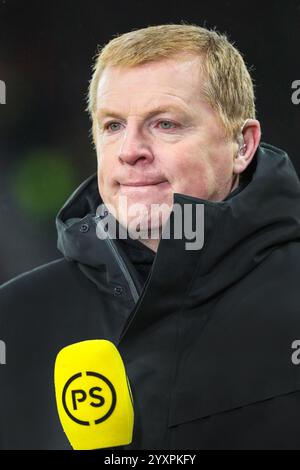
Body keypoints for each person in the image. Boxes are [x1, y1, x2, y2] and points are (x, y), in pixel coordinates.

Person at [1, 23, 300, 450]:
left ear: (242, 145)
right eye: (113, 126)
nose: (130, 150)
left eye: (165, 124)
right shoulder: (14, 317)